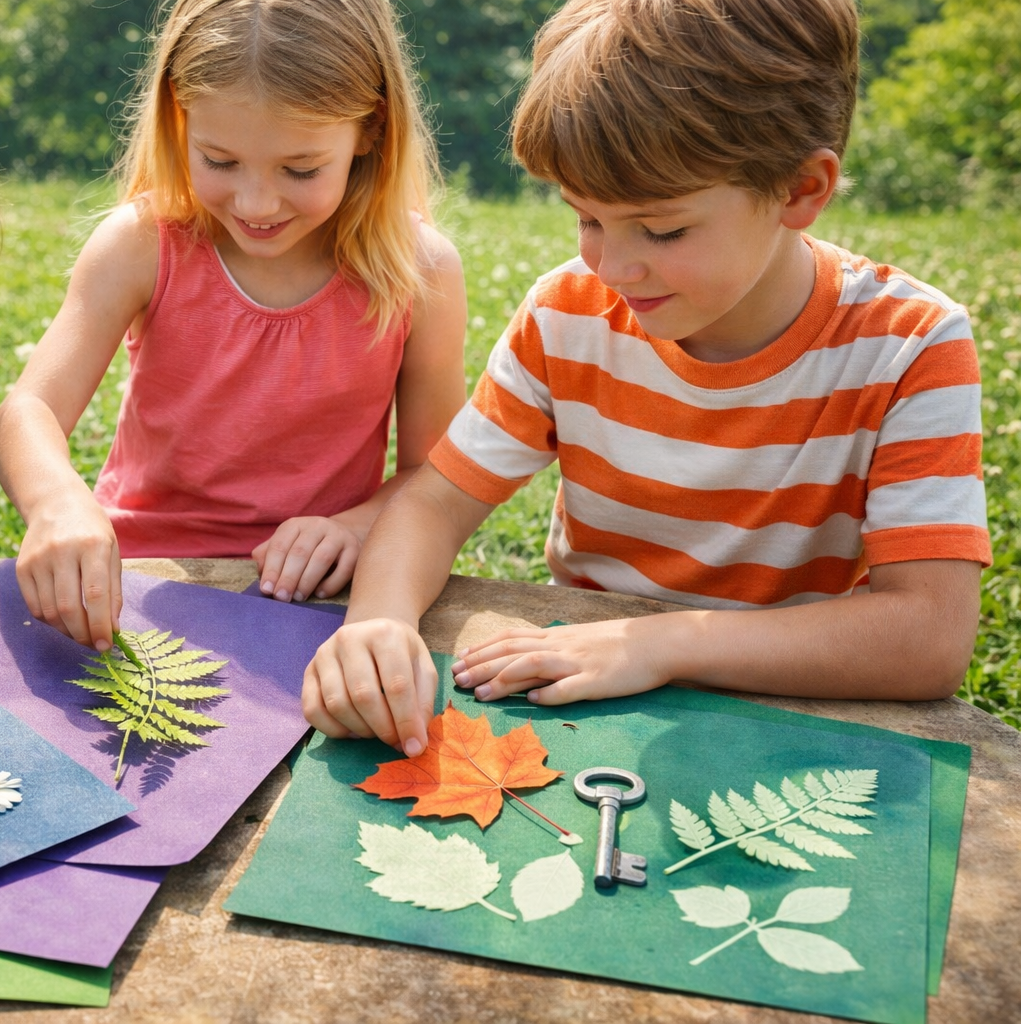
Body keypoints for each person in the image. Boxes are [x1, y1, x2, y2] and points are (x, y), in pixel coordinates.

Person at [303, 0, 990, 756]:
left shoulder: (909, 346)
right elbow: (432, 505)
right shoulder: (568, 313)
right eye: (586, 218)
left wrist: (660, 645)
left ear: (801, 190)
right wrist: (379, 619)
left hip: (801, 714)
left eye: (662, 230)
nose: (611, 266)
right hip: (586, 704)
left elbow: (927, 636)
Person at [0, 0, 467, 652]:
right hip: (133, 583)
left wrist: (356, 527)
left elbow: (437, 472)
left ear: (372, 129)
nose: (256, 203)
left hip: (313, 594)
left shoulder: (420, 272)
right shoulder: (140, 243)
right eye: (219, 160)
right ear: (179, 119)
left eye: (300, 169)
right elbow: (30, 407)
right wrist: (56, 502)